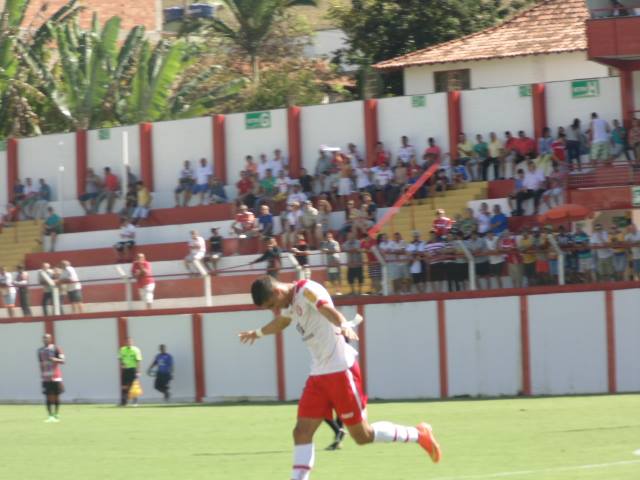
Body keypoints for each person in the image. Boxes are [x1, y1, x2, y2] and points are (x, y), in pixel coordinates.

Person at [239, 277, 441, 479]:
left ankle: (419, 434)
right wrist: (257, 333)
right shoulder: (289, 302)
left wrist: (343, 323)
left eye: (272, 305)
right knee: (301, 432)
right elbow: (282, 321)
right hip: (318, 374)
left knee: (363, 436)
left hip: (340, 370)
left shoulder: (306, 290)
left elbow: (324, 307)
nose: (274, 309)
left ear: (277, 292)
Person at [38, 334, 65, 422]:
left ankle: (56, 414)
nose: (45, 340)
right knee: (48, 397)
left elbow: (63, 360)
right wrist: (42, 374)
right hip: (46, 378)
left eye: (47, 338)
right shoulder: (40, 351)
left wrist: (54, 359)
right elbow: (41, 364)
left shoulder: (56, 349)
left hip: (56, 377)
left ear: (51, 339)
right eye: (44, 338)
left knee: (56, 396)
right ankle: (50, 416)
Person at [119, 337, 142, 406]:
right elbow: (120, 358)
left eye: (130, 342)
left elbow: (138, 361)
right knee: (124, 386)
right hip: (125, 370)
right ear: (126, 342)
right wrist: (122, 364)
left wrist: (138, 371)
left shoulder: (136, 350)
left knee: (134, 386)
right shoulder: (122, 350)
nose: (129, 343)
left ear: (132, 342)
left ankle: (135, 402)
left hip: (133, 369)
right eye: (127, 342)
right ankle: (124, 402)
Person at [343, 230, 364, 295]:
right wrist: (353, 250)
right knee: (350, 279)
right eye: (349, 236)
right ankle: (353, 291)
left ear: (354, 236)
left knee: (360, 278)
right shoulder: (346, 243)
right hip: (351, 265)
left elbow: (358, 250)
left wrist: (353, 250)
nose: (351, 237)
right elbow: (345, 249)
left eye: (352, 236)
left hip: (358, 264)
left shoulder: (358, 242)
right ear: (348, 237)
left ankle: (360, 291)